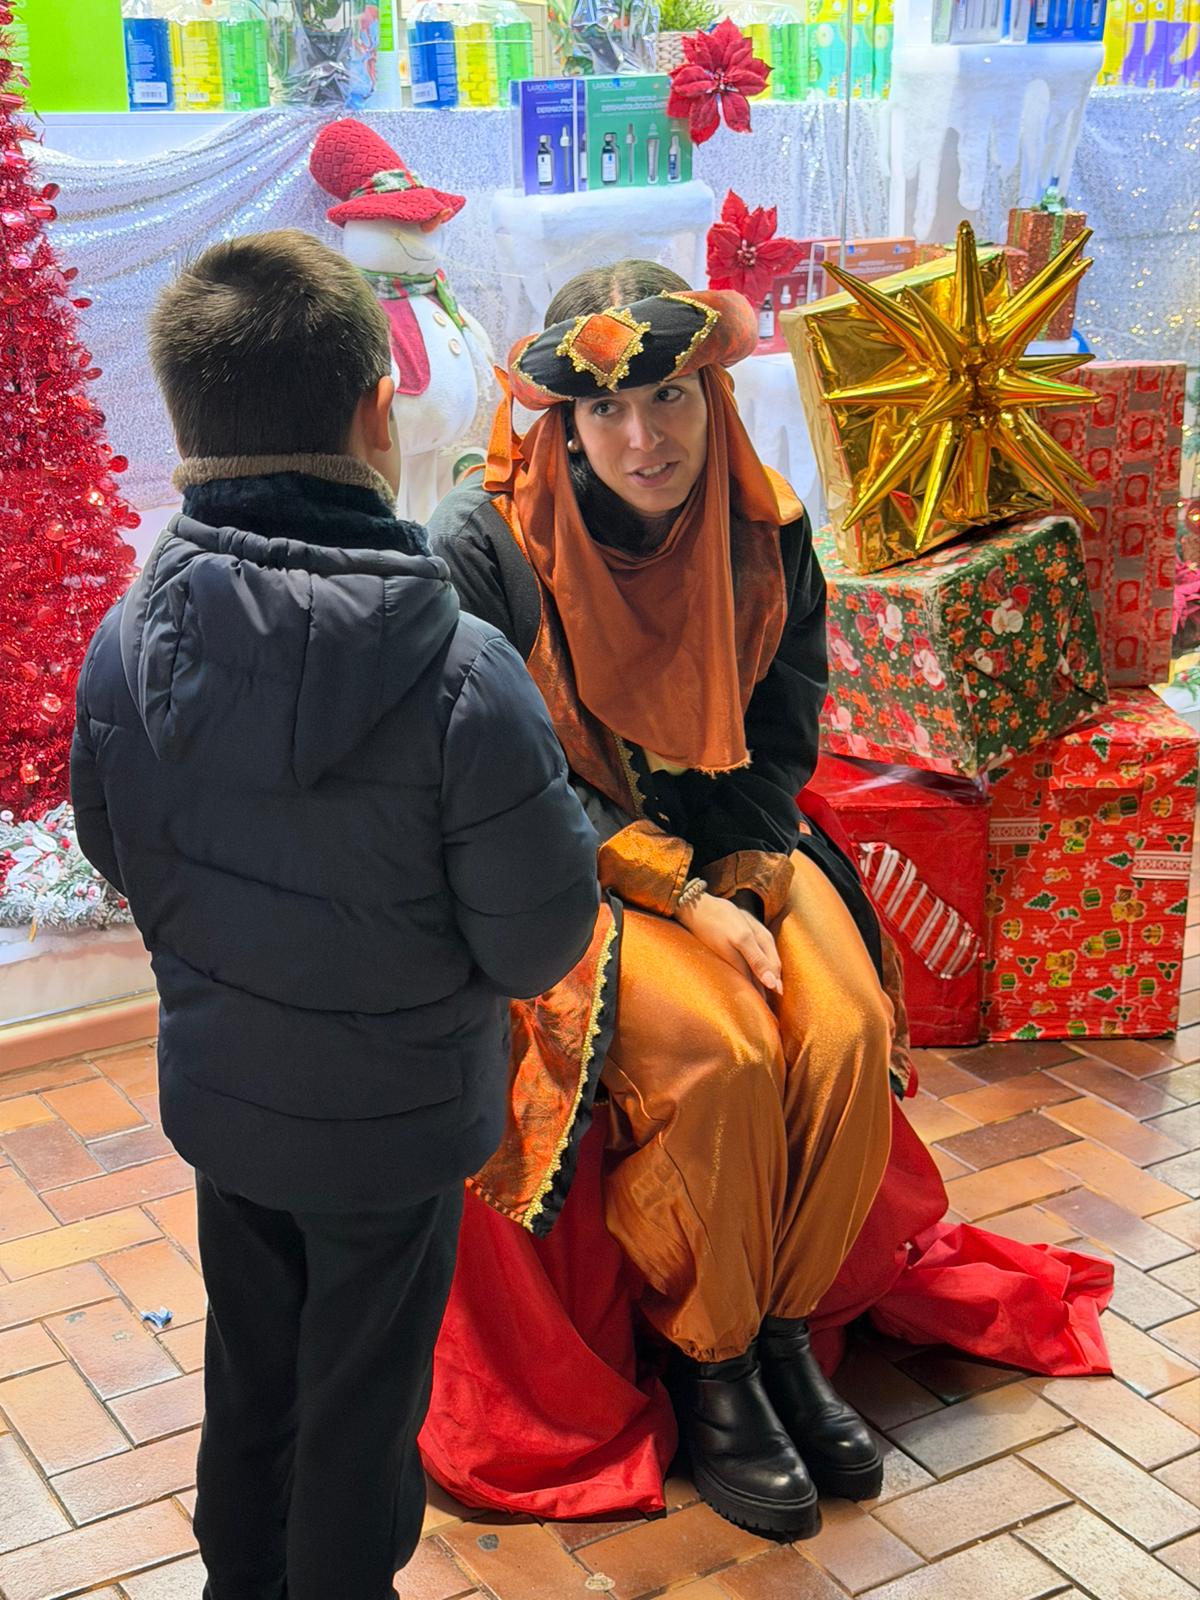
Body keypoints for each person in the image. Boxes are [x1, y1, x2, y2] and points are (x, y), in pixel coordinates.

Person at [69, 229, 600, 1600]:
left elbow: (114, 848)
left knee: (254, 1373)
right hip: (398, 1123)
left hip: (229, 1097)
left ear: (183, 422)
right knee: (364, 1406)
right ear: (375, 411)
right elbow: (542, 940)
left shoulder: (128, 642)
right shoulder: (464, 677)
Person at [425, 263, 897, 1539]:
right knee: (724, 1052)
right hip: (570, 865)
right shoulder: (488, 546)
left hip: (738, 844)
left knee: (846, 1027)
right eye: (611, 410)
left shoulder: (766, 522)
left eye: (676, 397)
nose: (650, 438)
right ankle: (718, 1359)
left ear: (714, 392)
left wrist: (740, 873)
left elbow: (784, 736)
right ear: (564, 422)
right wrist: (682, 899)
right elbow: (496, 773)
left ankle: (786, 1328)